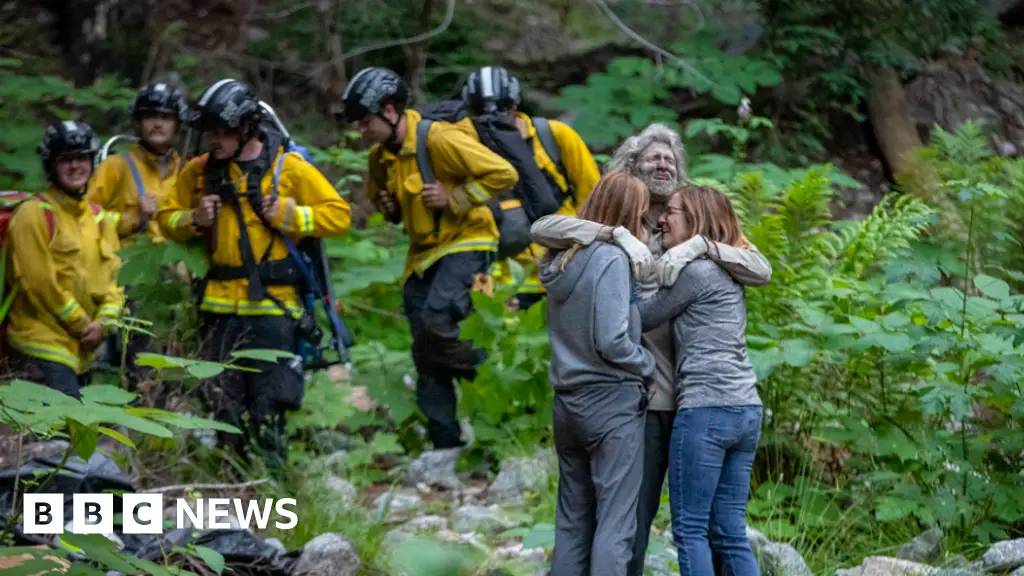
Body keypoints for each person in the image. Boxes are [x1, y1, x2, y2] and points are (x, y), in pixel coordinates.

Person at [528, 122, 771, 576]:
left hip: (695, 397)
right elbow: (542, 227)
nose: (663, 164)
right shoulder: (617, 225)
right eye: (652, 158)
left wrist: (700, 246)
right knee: (631, 519)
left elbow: (760, 267)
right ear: (631, 168)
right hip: (642, 395)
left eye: (670, 159)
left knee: (697, 524)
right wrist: (615, 234)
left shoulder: (691, 229)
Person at [156, 79, 352, 467]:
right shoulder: (197, 172)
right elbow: (165, 219)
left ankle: (272, 482)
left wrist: (293, 215)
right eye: (209, 132)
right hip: (217, 305)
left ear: (247, 126)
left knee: (269, 401)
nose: (213, 140)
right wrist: (192, 219)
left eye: (222, 131)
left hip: (273, 306)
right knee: (221, 402)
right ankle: (231, 480)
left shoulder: (287, 167)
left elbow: (340, 215)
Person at [339, 67, 519, 451]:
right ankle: (445, 444)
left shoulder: (439, 138)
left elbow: (503, 173)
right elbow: (383, 204)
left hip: (469, 240)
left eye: (366, 122)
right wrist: (387, 208)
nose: (362, 131)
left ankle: (487, 374)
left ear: (390, 111)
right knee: (423, 347)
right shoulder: (379, 158)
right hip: (422, 255)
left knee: (439, 319)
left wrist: (454, 197)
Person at [635, 186, 763, 575]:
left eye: (671, 212)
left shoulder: (697, 270)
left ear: (696, 219)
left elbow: (642, 317)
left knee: (690, 530)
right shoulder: (727, 266)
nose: (662, 219)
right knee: (729, 532)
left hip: (706, 409)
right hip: (746, 408)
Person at [542, 170, 656, 574]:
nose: (647, 225)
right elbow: (611, 339)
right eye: (643, 216)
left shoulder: (560, 260)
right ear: (628, 214)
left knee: (572, 522)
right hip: (610, 403)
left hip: (567, 403)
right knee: (616, 523)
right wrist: (647, 364)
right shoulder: (611, 260)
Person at [459, 66, 600, 310]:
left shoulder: (554, 136)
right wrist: (484, 297)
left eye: (503, 110)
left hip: (561, 274)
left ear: (516, 105)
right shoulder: (462, 148)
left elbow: (596, 199)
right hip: (498, 283)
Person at [4, 121, 124, 399]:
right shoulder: (33, 215)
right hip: (41, 343)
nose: (75, 167)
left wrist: (104, 323)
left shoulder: (99, 217)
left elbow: (117, 279)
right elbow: (39, 283)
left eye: (81, 158)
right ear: (51, 166)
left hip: (85, 348)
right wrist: (83, 325)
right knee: (64, 434)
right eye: (65, 160)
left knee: (84, 433)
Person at [88, 82, 188, 392]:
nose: (158, 123)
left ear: (177, 123)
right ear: (137, 122)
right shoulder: (116, 167)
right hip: (131, 277)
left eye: (166, 116)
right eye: (150, 116)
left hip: (177, 281)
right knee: (141, 361)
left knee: (177, 357)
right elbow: (86, 218)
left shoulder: (185, 171)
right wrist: (132, 218)